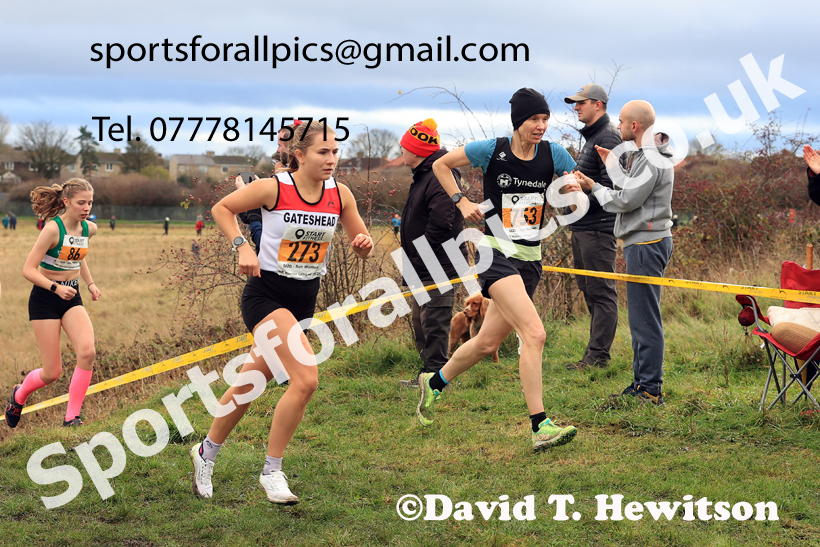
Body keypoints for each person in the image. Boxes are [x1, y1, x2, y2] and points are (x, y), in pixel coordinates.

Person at [189, 121, 373, 504]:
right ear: (300, 154)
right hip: (266, 296)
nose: (332, 159)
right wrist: (242, 245)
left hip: (303, 302)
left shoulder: (340, 194)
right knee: (305, 381)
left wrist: (362, 242)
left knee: (248, 385)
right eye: (323, 152)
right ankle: (272, 471)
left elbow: (361, 245)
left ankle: (205, 452)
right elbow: (222, 209)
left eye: (335, 151)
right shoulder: (275, 187)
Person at [418, 88, 579, 451]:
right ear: (518, 121)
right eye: (534, 119)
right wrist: (461, 202)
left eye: (545, 120)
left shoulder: (554, 153)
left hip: (530, 259)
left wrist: (576, 188)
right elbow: (440, 164)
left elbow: (574, 182)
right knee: (534, 334)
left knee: (486, 342)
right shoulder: (492, 149)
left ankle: (435, 382)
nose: (540, 126)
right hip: (495, 255)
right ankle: (541, 426)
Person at [573, 100, 674, 405]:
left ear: (634, 126)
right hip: (642, 240)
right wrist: (611, 169)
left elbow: (629, 200)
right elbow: (634, 190)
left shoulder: (652, 158)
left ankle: (649, 389)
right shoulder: (646, 156)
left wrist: (593, 187)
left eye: (620, 122)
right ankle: (643, 383)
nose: (616, 127)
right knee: (640, 318)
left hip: (646, 242)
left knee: (644, 319)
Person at [5, 178, 102, 428]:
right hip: (45, 298)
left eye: (90, 202)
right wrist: (55, 288)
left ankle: (72, 417)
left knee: (87, 351)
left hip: (72, 296)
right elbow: (28, 269)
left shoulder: (89, 229)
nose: (86, 208)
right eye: (81, 203)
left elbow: (77, 256)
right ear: (66, 202)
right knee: (52, 373)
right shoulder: (52, 229)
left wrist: (90, 283)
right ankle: (19, 395)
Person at [395, 119, 467, 388]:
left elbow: (443, 220)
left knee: (435, 319)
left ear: (416, 150)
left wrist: (421, 252)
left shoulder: (440, 173)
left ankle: (437, 379)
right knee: (420, 319)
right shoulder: (426, 173)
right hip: (422, 262)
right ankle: (428, 375)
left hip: (439, 261)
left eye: (404, 147)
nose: (401, 151)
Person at [562, 84, 621, 370]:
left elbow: (612, 188)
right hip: (584, 228)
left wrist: (579, 200)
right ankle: (593, 355)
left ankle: (598, 357)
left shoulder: (608, 136)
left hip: (599, 229)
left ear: (598, 104)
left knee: (602, 292)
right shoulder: (593, 137)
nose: (576, 107)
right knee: (589, 289)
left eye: (580, 103)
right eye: (574, 103)